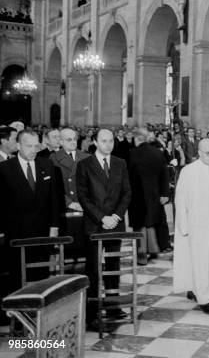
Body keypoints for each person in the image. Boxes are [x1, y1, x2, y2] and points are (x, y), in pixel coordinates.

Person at [76, 129, 132, 323]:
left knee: (113, 265)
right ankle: (91, 310)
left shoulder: (120, 163)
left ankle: (113, 306)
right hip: (94, 224)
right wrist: (102, 218)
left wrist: (116, 216)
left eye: (111, 141)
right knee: (93, 267)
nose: (108, 145)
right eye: (104, 141)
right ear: (95, 142)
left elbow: (127, 193)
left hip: (115, 224)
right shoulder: (84, 165)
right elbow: (83, 197)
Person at [173, 138, 209, 314]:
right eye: (208, 153)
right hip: (197, 224)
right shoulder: (189, 171)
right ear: (199, 153)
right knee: (199, 260)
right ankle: (205, 299)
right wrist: (183, 225)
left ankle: (201, 289)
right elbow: (180, 199)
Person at [0, 130, 60, 297]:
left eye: (36, 146)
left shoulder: (46, 165)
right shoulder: (4, 169)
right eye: (28, 146)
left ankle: (39, 314)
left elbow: (54, 199)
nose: (33, 150)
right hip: (17, 233)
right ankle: (19, 316)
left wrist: (54, 226)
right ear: (18, 146)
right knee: (17, 278)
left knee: (41, 276)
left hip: (42, 233)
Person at [128, 129, 170, 265]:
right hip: (154, 194)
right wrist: (164, 193)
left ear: (138, 138)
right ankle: (153, 248)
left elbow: (127, 176)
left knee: (139, 224)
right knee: (150, 222)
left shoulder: (131, 154)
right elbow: (165, 174)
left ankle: (141, 254)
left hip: (136, 194)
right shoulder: (157, 152)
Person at [50, 128, 90, 212]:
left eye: (75, 139)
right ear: (61, 142)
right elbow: (52, 186)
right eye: (69, 139)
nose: (73, 142)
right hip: (64, 206)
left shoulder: (86, 157)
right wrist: (69, 203)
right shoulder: (53, 158)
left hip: (85, 206)